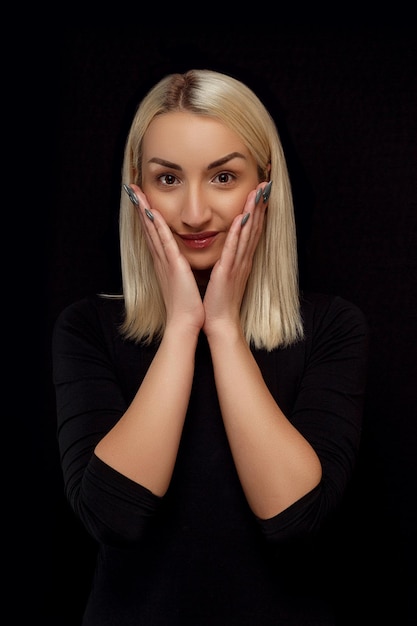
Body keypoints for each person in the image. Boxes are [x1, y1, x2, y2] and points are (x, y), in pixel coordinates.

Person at [52, 69, 369, 625]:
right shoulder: (86, 329)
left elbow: (292, 518)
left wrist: (221, 326)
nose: (194, 213)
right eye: (168, 179)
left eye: (223, 176)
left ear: (265, 184)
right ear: (137, 188)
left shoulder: (331, 327)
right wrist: (180, 328)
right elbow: (113, 518)